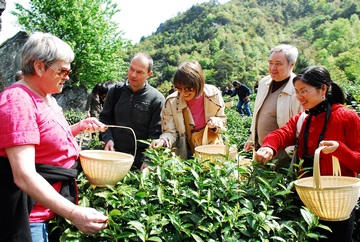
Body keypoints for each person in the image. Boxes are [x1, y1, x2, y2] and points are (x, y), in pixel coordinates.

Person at [0, 32, 108, 241]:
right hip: (29, 215)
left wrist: (78, 127)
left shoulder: (46, 96)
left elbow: (45, 136)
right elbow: (24, 174)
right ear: (39, 67)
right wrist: (74, 213)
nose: (67, 77)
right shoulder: (18, 102)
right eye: (62, 70)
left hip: (50, 207)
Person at [254, 66, 360, 242]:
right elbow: (281, 134)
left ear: (323, 89)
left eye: (304, 91)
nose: (299, 97)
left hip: (338, 204)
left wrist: (339, 149)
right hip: (308, 200)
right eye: (296, 92)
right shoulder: (303, 118)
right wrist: (269, 147)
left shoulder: (347, 117)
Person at [99, 52, 165, 170]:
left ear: (149, 74)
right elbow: (104, 119)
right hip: (113, 155)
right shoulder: (115, 91)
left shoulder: (157, 99)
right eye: (131, 69)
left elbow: (155, 134)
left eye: (140, 72)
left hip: (139, 162)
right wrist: (107, 138)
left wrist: (149, 159)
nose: (133, 75)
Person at [150, 61, 226, 160]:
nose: (183, 92)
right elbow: (170, 131)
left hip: (210, 148)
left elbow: (222, 121)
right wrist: (162, 141)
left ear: (199, 83)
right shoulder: (171, 102)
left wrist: (216, 123)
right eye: (179, 88)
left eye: (188, 88)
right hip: (186, 150)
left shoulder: (213, 94)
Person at [244, 44, 302, 170]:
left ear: (292, 64)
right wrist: (252, 137)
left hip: (282, 156)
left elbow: (301, 128)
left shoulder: (298, 90)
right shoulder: (264, 82)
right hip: (260, 151)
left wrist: (286, 153)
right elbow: (258, 113)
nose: (273, 68)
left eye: (278, 63)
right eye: (270, 63)